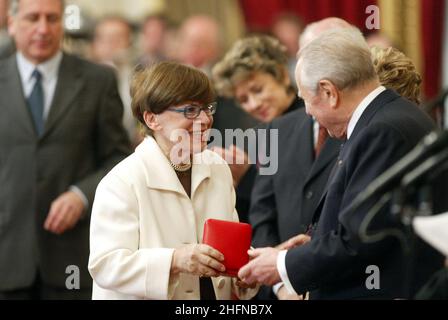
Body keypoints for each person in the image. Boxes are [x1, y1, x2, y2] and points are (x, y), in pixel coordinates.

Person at [238, 27, 444, 299]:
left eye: (305, 100)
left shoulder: (381, 131)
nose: (308, 112)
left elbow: (361, 240)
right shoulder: (387, 118)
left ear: (329, 92)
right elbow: (377, 224)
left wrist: (281, 264)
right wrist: (315, 243)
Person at [88, 61, 258, 300]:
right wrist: (175, 261)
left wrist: (245, 270)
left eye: (207, 108)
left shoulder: (217, 167)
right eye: (190, 110)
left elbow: (228, 247)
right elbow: (106, 266)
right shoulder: (121, 182)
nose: (205, 119)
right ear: (151, 119)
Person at [0, 0, 131, 300]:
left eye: (52, 18)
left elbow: (120, 159)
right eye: (33, 18)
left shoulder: (98, 81)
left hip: (71, 257)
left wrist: (81, 194)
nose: (43, 29)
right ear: (12, 23)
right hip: (6, 255)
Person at [212, 35, 304, 224]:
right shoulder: (258, 137)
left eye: (258, 90)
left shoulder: (313, 119)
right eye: (243, 100)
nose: (253, 104)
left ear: (283, 75)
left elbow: (297, 198)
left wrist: (247, 176)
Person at [91, 16, 140, 146]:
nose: (113, 45)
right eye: (107, 39)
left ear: (130, 42)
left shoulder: (139, 77)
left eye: (119, 38)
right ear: (95, 44)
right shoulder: (84, 80)